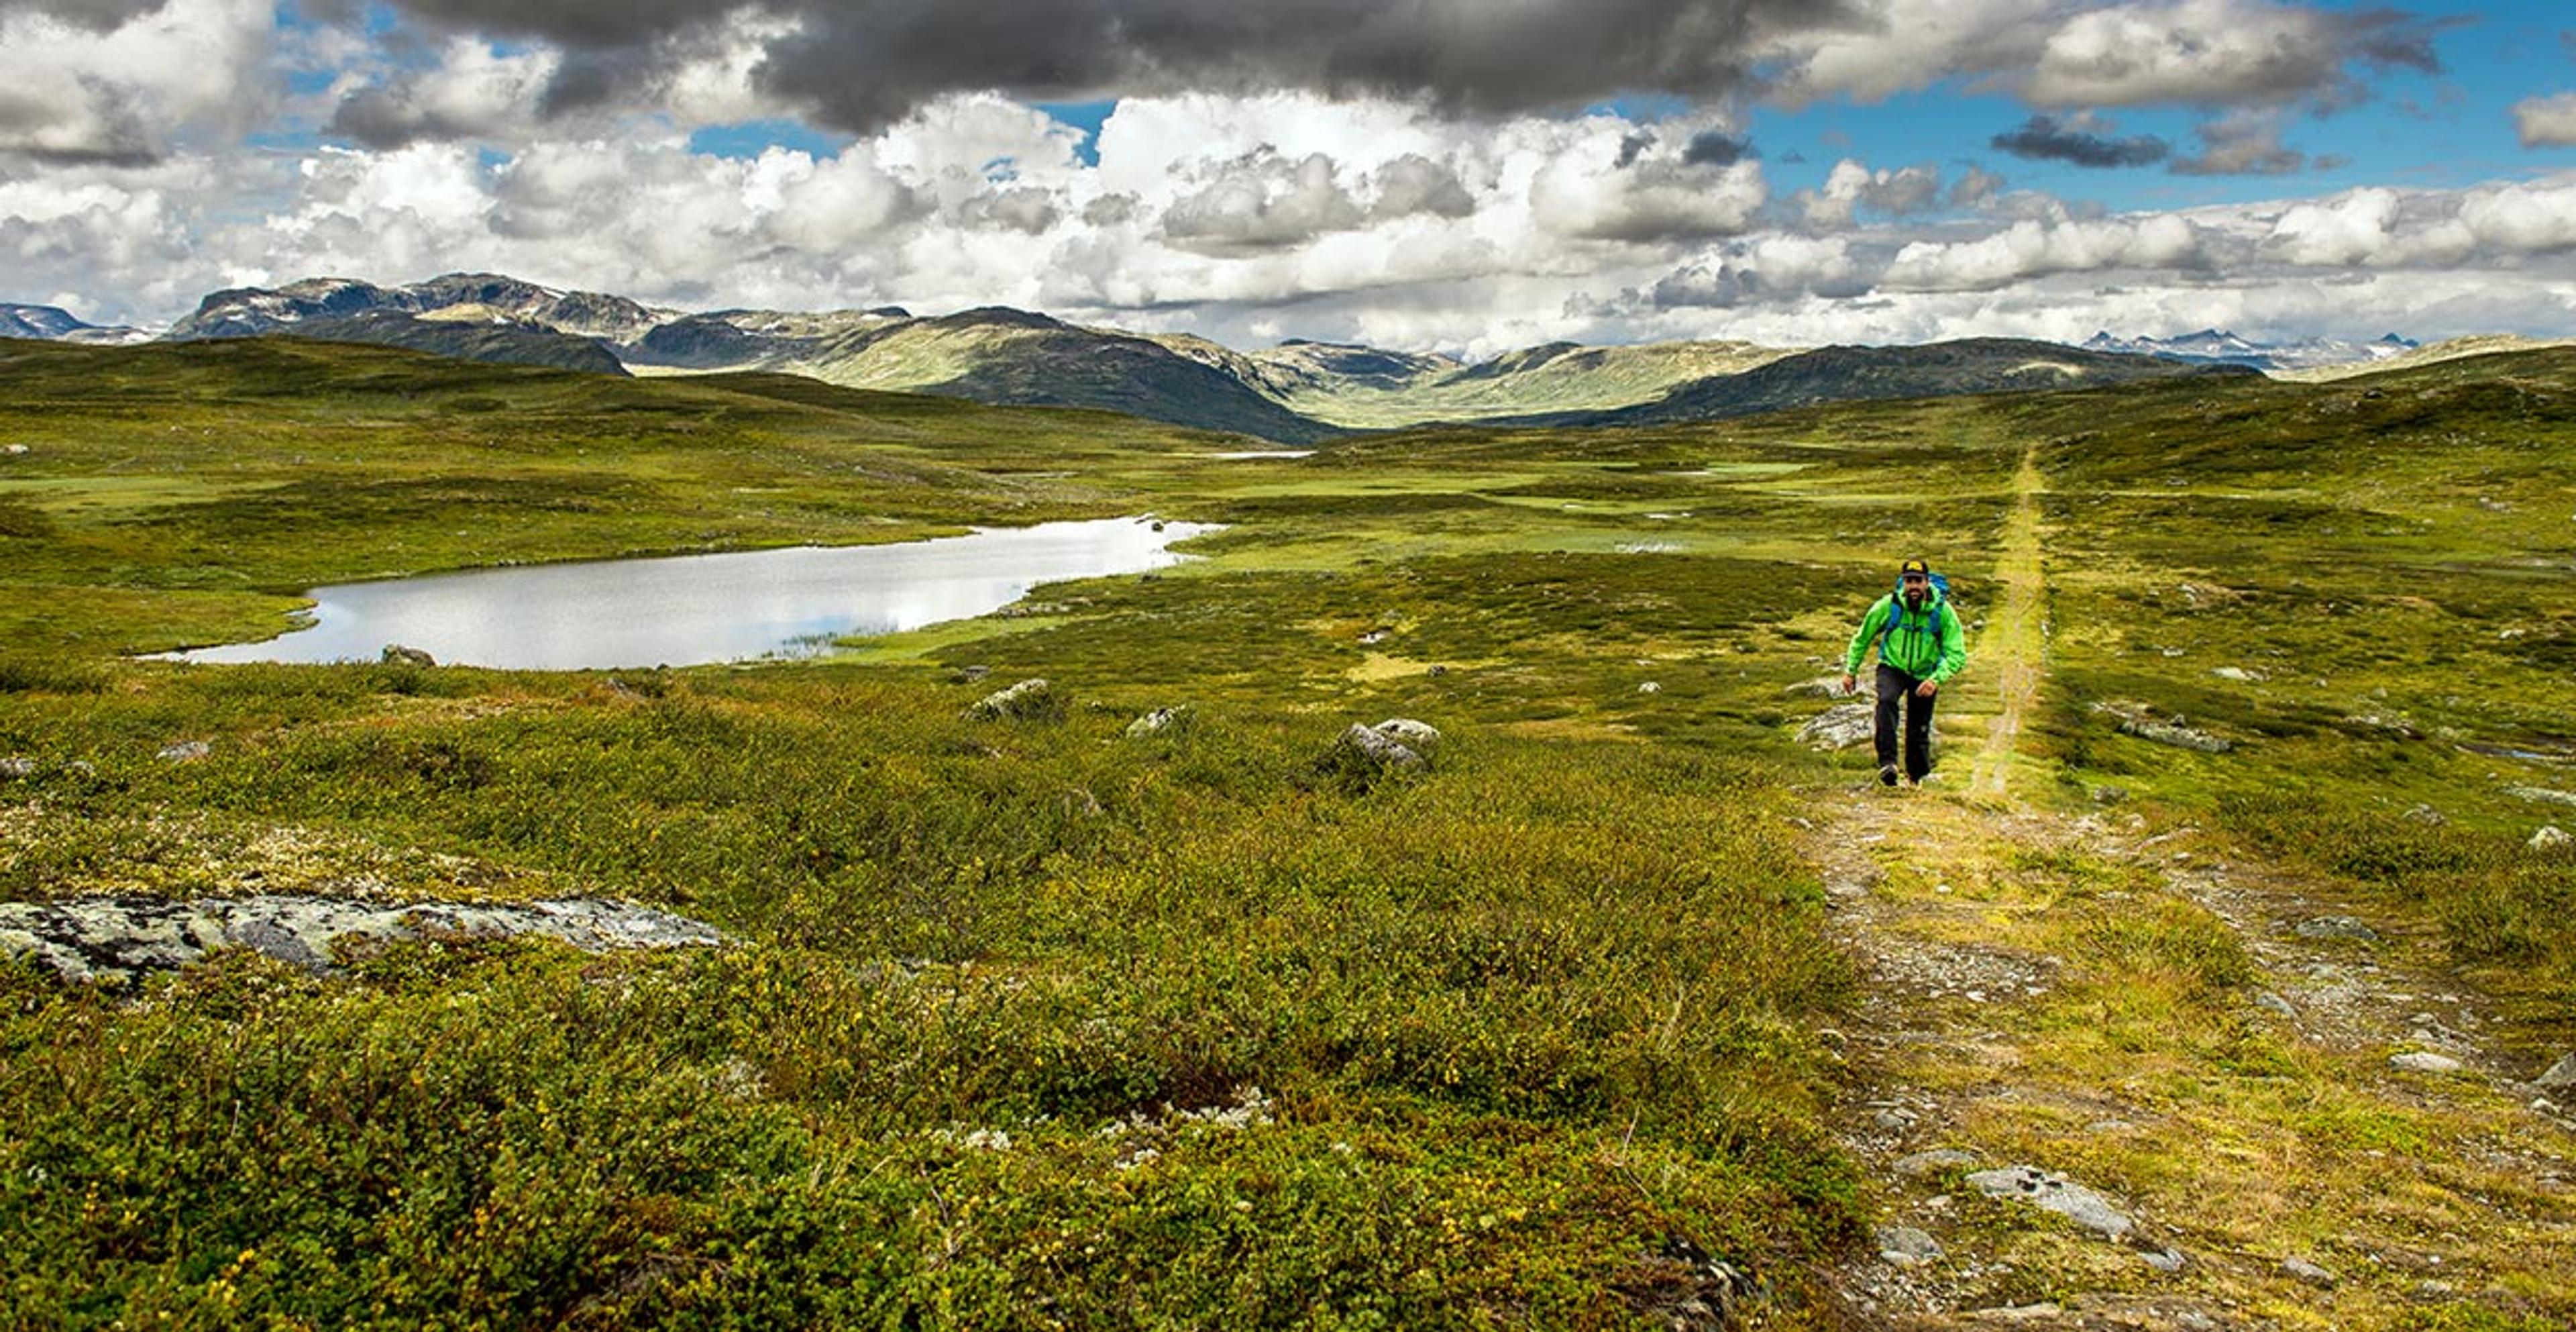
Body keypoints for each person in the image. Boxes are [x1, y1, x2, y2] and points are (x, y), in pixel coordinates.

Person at [1839, 558, 1968, 787]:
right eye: (1909, 581)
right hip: (1892, 667)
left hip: (1925, 673)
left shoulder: (1943, 612)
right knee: (1886, 701)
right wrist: (1851, 670)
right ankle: (1888, 765)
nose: (1914, 586)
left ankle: (1915, 778)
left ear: (1927, 582)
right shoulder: (1889, 606)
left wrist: (1936, 679)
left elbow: (1957, 654)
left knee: (1919, 727)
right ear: (1903, 582)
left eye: (1918, 581)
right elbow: (1862, 638)